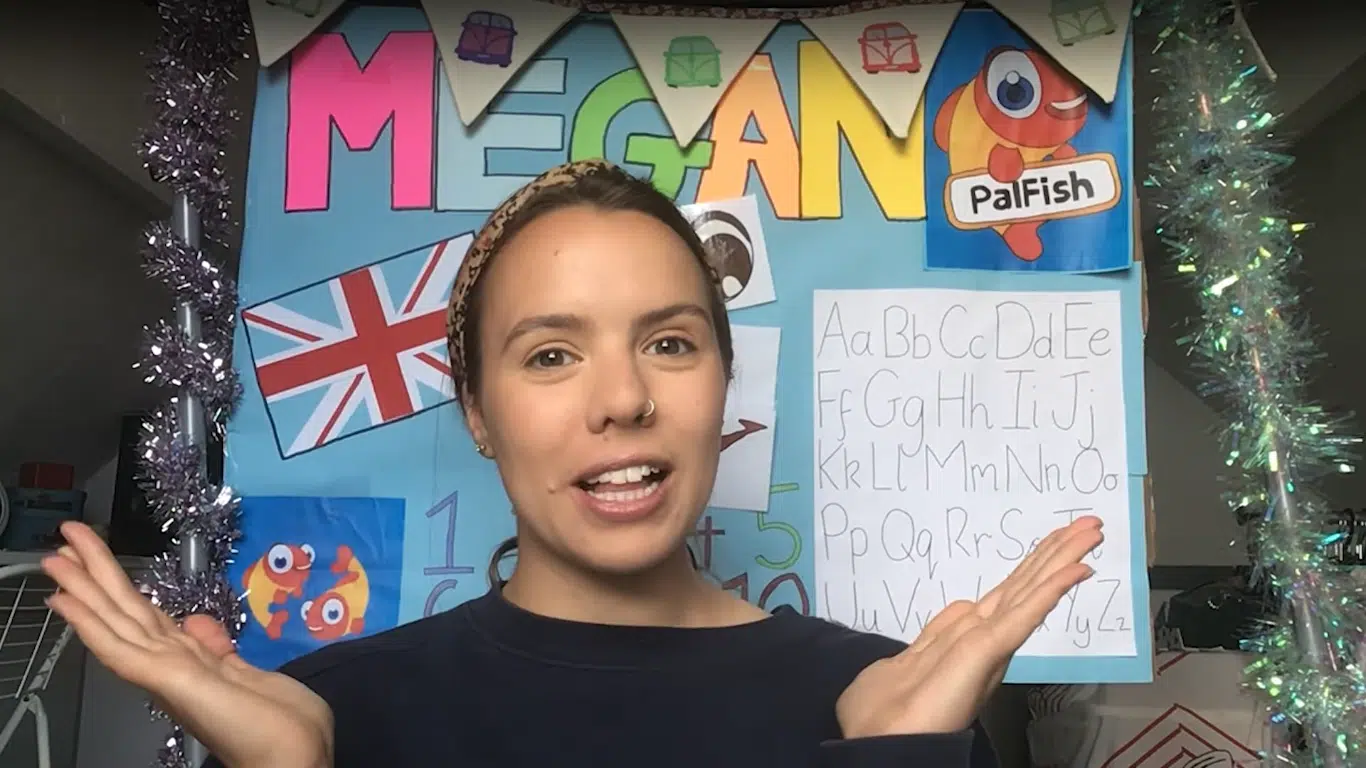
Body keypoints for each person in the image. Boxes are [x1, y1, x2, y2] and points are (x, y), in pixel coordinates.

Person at [43, 159, 1104, 768]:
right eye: (551, 355)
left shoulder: (884, 702)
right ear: (477, 413)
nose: (623, 399)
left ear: (723, 383)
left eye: (670, 342)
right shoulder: (328, 716)